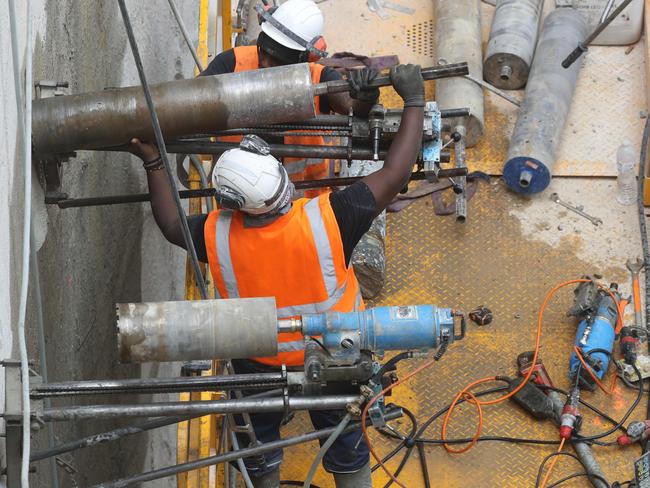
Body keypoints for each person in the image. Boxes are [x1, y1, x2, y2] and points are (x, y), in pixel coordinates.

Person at [129, 64, 424, 488]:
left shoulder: (217, 233)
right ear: (282, 185)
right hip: (333, 353)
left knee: (258, 448)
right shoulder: (329, 219)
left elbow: (172, 224)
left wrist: (153, 161)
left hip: (260, 363)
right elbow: (395, 174)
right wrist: (412, 100)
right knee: (345, 441)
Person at [201, 0, 379, 198]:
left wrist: (366, 97)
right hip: (237, 199)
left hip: (302, 210)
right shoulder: (232, 63)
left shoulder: (321, 79)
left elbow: (350, 106)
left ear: (303, 59)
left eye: (277, 60)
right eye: (264, 51)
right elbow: (193, 100)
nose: (266, 64)